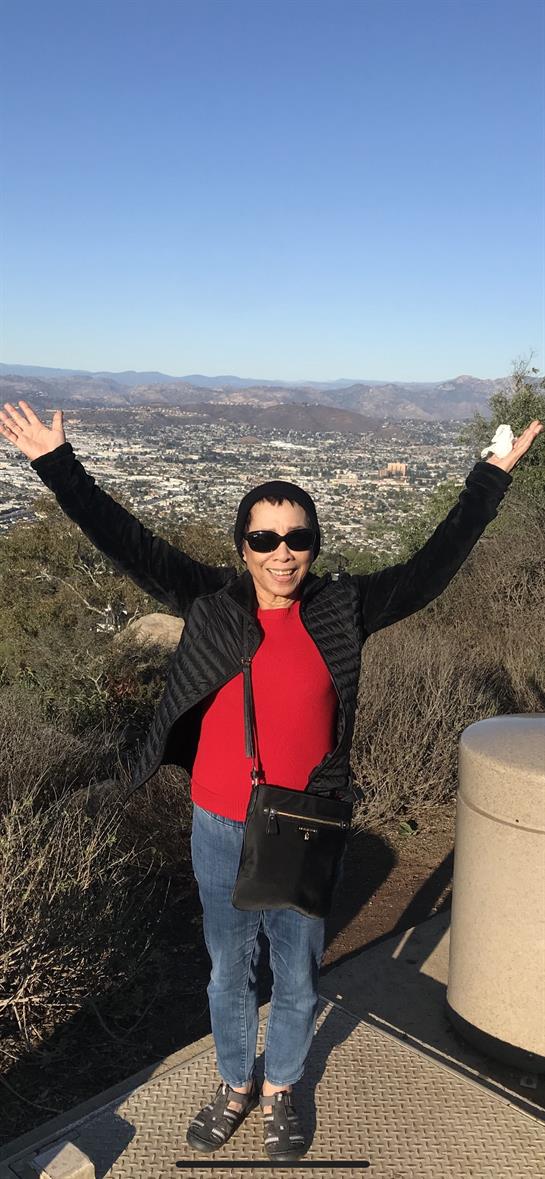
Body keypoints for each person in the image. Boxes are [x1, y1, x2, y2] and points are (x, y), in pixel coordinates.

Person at [1, 399, 542, 1162]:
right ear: (242, 546)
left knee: (296, 967)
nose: (281, 553)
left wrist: (487, 477)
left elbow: (430, 569)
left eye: (297, 538)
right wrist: (55, 463)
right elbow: (125, 538)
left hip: (305, 823)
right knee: (228, 969)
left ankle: (282, 1085)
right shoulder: (210, 604)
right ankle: (233, 1081)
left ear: (313, 546)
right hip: (218, 822)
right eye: (264, 538)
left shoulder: (342, 608)